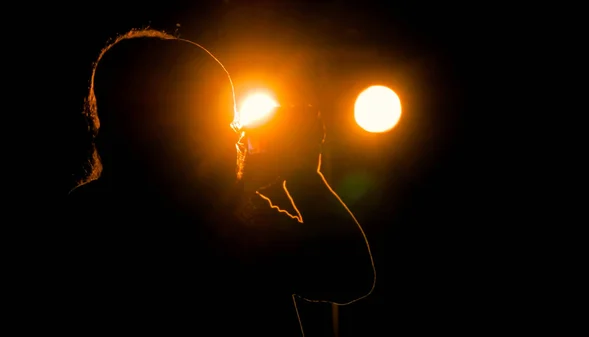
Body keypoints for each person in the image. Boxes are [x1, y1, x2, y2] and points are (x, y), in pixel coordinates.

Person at [60, 28, 374, 336]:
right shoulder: (231, 221)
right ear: (174, 129)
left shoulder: (85, 214)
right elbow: (349, 274)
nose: (234, 134)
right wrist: (305, 176)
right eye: (221, 121)